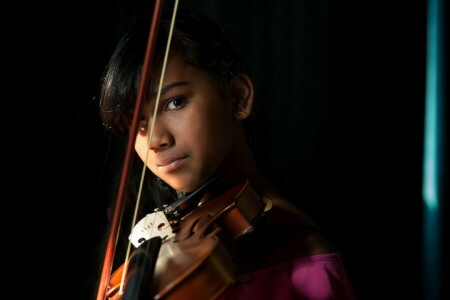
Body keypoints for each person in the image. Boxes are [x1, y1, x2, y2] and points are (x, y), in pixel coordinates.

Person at [97, 8, 355, 300]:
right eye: (137, 122)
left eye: (175, 102)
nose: (155, 140)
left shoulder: (305, 264)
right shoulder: (165, 242)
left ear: (237, 97)